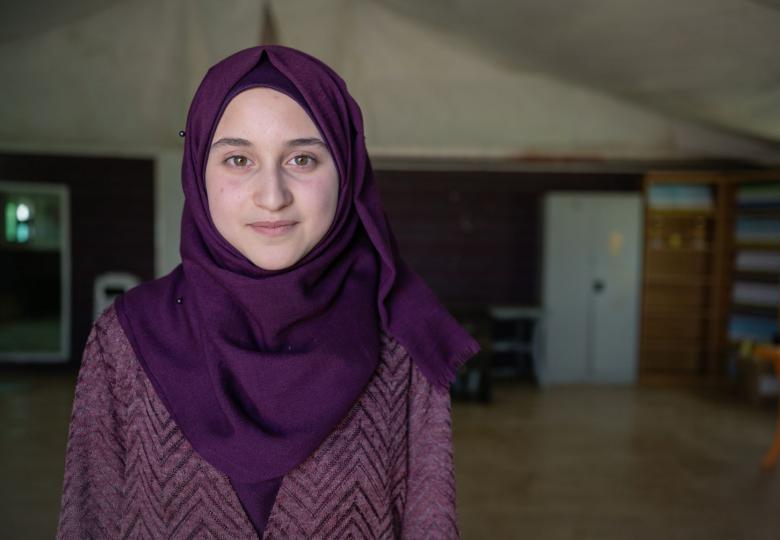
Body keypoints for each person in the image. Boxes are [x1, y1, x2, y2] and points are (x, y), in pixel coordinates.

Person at [57, 45, 479, 539]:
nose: (273, 195)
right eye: (238, 158)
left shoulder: (403, 340)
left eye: (302, 158)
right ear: (198, 168)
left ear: (347, 168)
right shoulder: (126, 338)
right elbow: (88, 522)